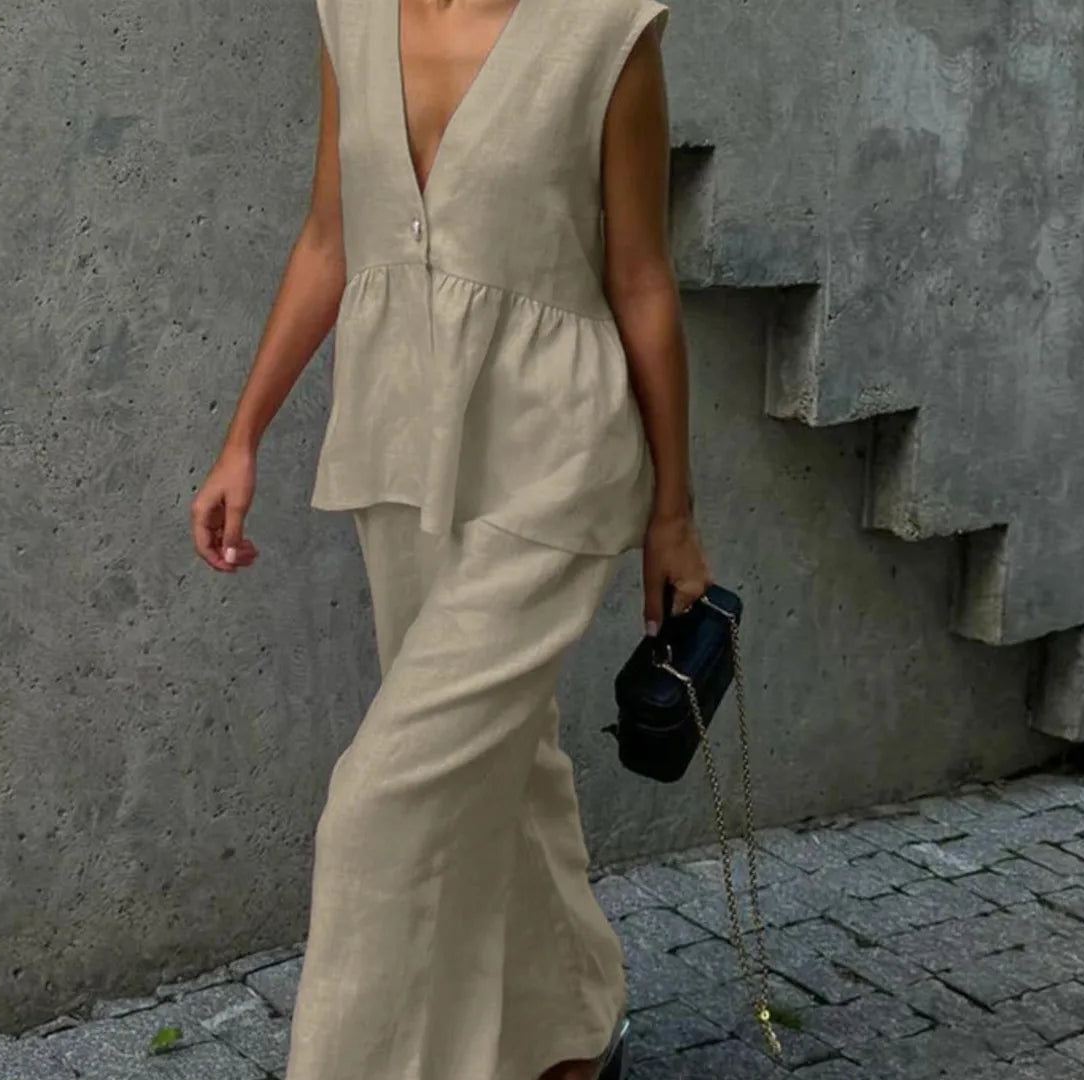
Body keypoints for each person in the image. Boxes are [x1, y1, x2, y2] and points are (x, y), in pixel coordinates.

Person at [190, 0, 711, 1076]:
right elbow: (331, 238)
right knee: (504, 762)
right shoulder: (349, 16)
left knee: (378, 809)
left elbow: (642, 279)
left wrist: (672, 513)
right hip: (402, 444)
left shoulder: (606, 33)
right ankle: (575, 1027)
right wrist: (242, 437)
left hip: (555, 462)